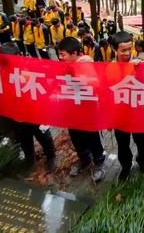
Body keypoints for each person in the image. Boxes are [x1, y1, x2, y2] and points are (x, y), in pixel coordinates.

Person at [0, 42, 56, 172]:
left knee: (43, 136)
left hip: (34, 113)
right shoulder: (1, 69)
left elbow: (44, 90)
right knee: (24, 138)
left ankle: (51, 156)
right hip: (17, 114)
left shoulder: (31, 69)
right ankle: (29, 157)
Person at [57, 37, 106, 182]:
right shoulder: (67, 66)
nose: (60, 58)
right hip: (73, 111)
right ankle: (84, 159)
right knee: (76, 138)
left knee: (93, 138)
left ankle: (99, 163)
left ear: (74, 53)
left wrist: (78, 78)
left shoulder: (86, 65)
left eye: (63, 54)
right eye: (59, 54)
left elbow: (95, 86)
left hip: (89, 112)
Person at [111, 31, 144, 181]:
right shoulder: (109, 67)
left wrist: (141, 69)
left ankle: (143, 162)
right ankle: (126, 166)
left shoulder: (139, 64)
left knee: (141, 141)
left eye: (129, 49)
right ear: (115, 50)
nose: (127, 53)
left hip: (138, 113)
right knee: (123, 143)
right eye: (123, 50)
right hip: (120, 115)